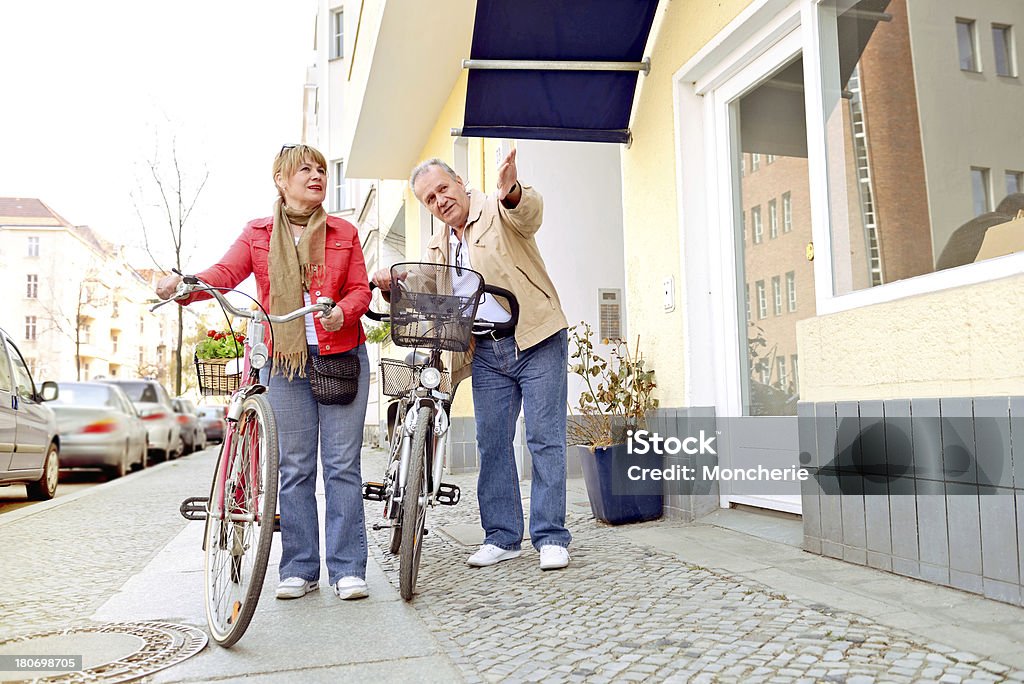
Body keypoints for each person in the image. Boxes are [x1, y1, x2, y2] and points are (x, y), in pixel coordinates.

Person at [156, 144, 373, 600]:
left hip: (341, 357)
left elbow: (358, 290)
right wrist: (184, 286)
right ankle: (299, 568)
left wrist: (344, 313)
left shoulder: (344, 231)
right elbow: (224, 273)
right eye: (305, 170)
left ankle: (348, 568)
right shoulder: (257, 233)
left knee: (341, 467)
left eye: (320, 170)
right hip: (285, 361)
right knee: (293, 468)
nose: (316, 176)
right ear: (281, 179)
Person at [372, 149, 572, 570]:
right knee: (492, 442)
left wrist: (512, 190)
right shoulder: (439, 243)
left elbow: (528, 214)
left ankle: (551, 536)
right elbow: (429, 283)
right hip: (486, 350)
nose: (440, 200)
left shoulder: (497, 209)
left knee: (543, 437)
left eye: (443, 188)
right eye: (429, 198)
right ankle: (502, 536)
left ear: (460, 182)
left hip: (535, 337)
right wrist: (394, 283)